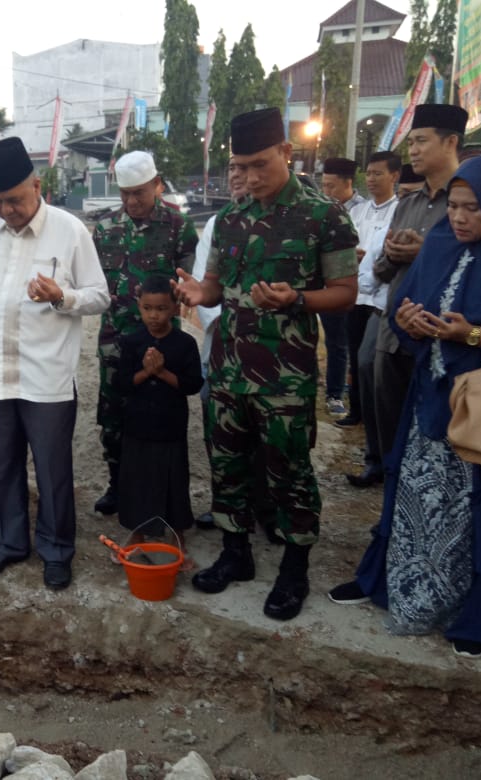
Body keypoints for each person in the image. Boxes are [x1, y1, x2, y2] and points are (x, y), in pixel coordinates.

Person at [329, 155, 481, 658]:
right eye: (453, 206)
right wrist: (409, 324)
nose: (459, 218)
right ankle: (396, 587)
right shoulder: (440, 247)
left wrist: (473, 334)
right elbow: (408, 311)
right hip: (431, 405)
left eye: (473, 208)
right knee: (418, 505)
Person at [174, 108, 358, 621]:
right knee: (227, 466)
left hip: (286, 375)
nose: (250, 177)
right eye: (241, 166)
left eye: (259, 164)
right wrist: (196, 291)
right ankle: (236, 555)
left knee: (290, 473)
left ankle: (294, 568)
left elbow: (345, 293)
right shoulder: (230, 218)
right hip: (229, 368)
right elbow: (214, 286)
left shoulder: (325, 217)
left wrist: (296, 299)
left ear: (286, 154)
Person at [0, 137, 110, 590]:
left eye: (15, 199)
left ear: (38, 185)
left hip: (45, 377)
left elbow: (100, 296)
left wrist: (62, 297)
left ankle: (56, 549)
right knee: (0, 467)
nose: (7, 210)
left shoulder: (69, 231)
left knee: (53, 471)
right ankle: (12, 543)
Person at [91, 150, 197, 516]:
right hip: (115, 338)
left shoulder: (178, 226)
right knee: (114, 411)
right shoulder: (105, 227)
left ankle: (159, 489)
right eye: (125, 194)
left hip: (161, 336)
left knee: (158, 409)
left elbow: (189, 279)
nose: (132, 201)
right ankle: (117, 484)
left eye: (139, 192)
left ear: (157, 185)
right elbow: (93, 282)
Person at [372, 105, 466, 463]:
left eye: (421, 141)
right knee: (390, 425)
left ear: (451, 142)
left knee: (438, 431)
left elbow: (475, 264)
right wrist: (394, 256)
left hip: (445, 333)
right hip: (394, 331)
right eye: (410, 142)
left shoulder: (469, 202)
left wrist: (425, 252)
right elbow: (380, 269)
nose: (412, 150)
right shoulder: (407, 203)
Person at [115, 274, 203, 567]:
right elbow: (122, 384)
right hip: (137, 425)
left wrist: (163, 373)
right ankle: (138, 534)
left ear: (175, 308)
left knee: (173, 481)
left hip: (170, 426)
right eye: (148, 308)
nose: (154, 315)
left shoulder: (185, 344)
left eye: (162, 308)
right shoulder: (131, 341)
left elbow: (192, 384)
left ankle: (176, 536)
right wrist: (146, 372)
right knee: (136, 480)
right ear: (139, 307)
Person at [338, 152, 400, 434]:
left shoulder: (400, 209)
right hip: (355, 293)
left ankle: (376, 412)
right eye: (369, 173)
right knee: (355, 353)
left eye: (378, 173)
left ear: (394, 176)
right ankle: (357, 409)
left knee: (372, 359)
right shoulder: (356, 211)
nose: (372, 179)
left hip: (380, 296)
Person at [318, 157, 365, 418]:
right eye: (324, 186)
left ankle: (335, 393)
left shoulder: (365, 209)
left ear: (348, 183)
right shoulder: (320, 210)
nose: (327, 192)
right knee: (326, 336)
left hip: (356, 286)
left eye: (332, 186)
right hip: (326, 285)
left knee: (340, 344)